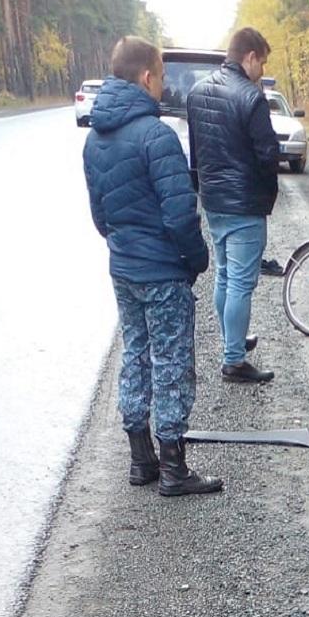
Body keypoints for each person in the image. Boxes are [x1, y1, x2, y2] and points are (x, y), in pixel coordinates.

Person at [82, 36, 222, 496]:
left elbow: (100, 215)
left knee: (136, 356)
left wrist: (123, 245)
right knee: (172, 362)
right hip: (162, 271)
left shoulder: (95, 139)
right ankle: (174, 469)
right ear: (147, 77)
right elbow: (180, 213)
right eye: (161, 76)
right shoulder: (156, 136)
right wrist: (196, 259)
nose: (162, 86)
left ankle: (140, 460)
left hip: (123, 268)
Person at [187, 27, 279, 383]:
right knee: (241, 282)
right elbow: (268, 154)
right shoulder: (251, 97)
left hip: (213, 200)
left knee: (225, 275)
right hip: (244, 204)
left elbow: (197, 153)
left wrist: (203, 189)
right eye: (262, 62)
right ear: (250, 56)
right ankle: (234, 361)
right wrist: (266, 194)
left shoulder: (197, 92)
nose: (262, 71)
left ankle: (233, 340)